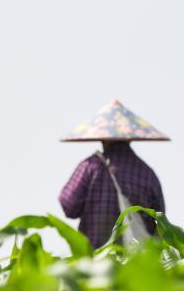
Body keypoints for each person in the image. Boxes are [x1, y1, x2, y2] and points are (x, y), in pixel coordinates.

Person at [58, 100, 168, 248]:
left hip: (94, 261)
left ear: (102, 138)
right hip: (135, 264)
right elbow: (160, 223)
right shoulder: (147, 174)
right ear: (129, 137)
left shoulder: (90, 167)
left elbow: (69, 207)